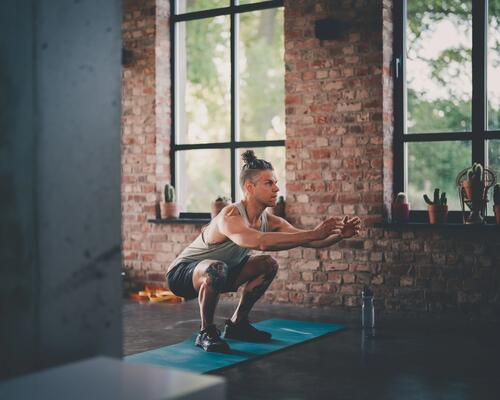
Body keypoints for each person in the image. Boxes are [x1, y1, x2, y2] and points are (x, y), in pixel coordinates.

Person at [166, 150, 361, 352]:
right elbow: (259, 242)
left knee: (267, 264)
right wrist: (315, 232)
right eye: (269, 183)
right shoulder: (230, 215)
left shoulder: (270, 220)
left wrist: (339, 235)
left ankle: (237, 324)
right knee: (217, 268)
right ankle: (206, 331)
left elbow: (312, 241)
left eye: (276, 182)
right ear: (249, 187)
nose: (276, 188)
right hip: (183, 275)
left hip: (223, 273)